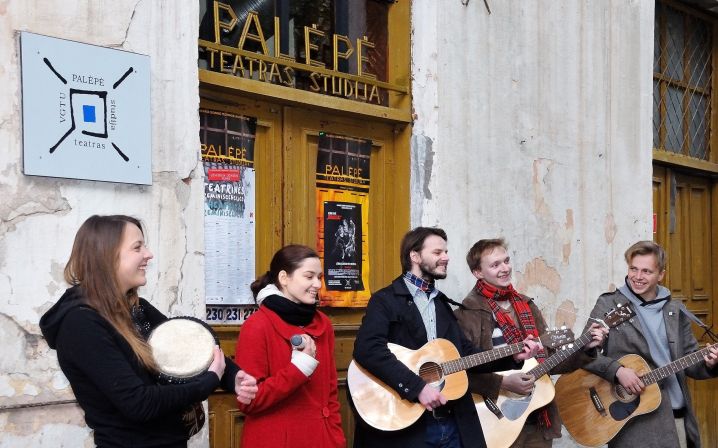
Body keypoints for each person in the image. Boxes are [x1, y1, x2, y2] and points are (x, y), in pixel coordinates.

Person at [39, 215, 257, 448]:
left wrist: (232, 377)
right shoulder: (81, 324)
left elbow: (188, 348)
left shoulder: (135, 307)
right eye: (137, 247)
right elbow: (138, 403)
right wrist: (209, 382)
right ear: (107, 256)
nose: (148, 254)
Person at [352, 227, 539, 448]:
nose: (446, 257)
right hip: (408, 426)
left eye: (446, 252)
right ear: (415, 256)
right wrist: (418, 387)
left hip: (452, 422)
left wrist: (512, 355)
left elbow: (465, 355)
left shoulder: (441, 304)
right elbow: (368, 349)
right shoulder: (385, 300)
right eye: (438, 252)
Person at [454, 238, 608, 447]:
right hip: (492, 419)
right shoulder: (465, 314)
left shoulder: (526, 306)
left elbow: (551, 361)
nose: (505, 268)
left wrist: (585, 347)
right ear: (477, 273)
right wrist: (502, 383)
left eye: (506, 261)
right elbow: (459, 375)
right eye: (495, 264)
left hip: (536, 417)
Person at [582, 241, 717, 448]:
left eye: (646, 271)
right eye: (633, 269)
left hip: (674, 413)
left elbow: (690, 361)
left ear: (661, 274)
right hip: (633, 416)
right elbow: (584, 353)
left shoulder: (675, 309)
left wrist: (709, 363)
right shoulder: (609, 304)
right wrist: (617, 371)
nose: (637, 277)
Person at [235, 244, 346, 448]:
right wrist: (298, 369)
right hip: (276, 439)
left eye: (319, 277)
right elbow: (248, 401)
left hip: (320, 439)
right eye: (309, 276)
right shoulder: (257, 326)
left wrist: (335, 438)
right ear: (284, 278)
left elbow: (330, 395)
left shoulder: (323, 324)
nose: (317, 284)